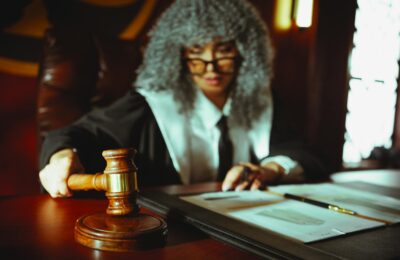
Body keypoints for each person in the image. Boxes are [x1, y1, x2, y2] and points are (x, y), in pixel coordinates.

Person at [39, 0, 327, 198]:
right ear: (178, 57)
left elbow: (304, 154)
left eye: (224, 52)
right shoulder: (148, 105)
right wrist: (63, 156)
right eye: (196, 55)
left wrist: (268, 170)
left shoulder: (262, 100)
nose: (210, 68)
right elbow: (73, 135)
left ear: (245, 52)